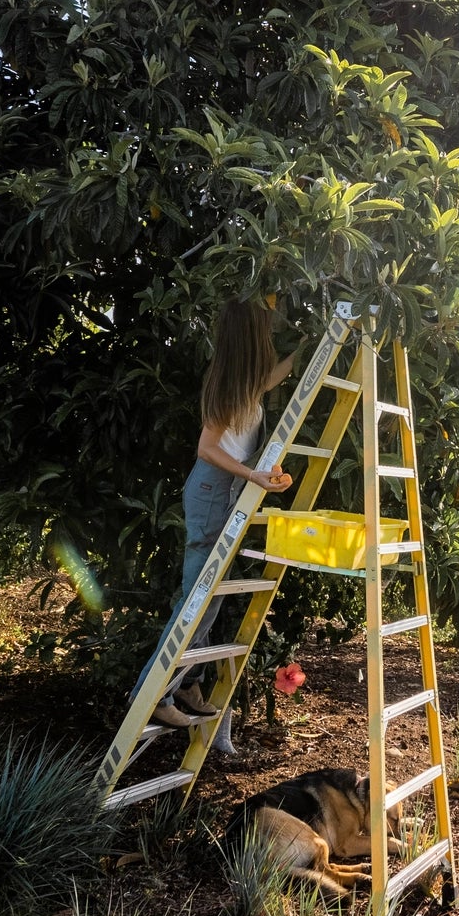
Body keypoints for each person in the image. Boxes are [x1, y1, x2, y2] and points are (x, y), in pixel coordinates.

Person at [154, 299, 296, 749]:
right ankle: (155, 692)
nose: (270, 339)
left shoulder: (247, 383)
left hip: (223, 492)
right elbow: (207, 448)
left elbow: (279, 375)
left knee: (209, 601)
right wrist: (253, 474)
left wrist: (312, 346)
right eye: (265, 333)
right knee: (196, 601)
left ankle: (188, 684)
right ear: (251, 341)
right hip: (213, 489)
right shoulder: (229, 388)